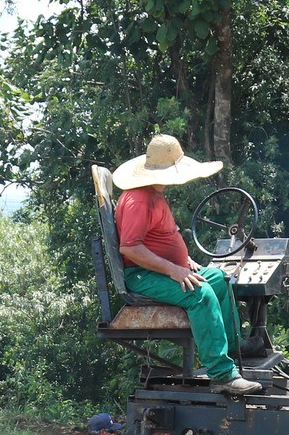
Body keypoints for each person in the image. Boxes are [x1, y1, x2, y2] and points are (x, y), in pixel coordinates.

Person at [112, 133, 262, 397]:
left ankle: (234, 346)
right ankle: (222, 375)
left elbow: (158, 238)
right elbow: (130, 248)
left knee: (218, 278)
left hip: (159, 269)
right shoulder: (138, 200)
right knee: (200, 295)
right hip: (141, 276)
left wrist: (183, 261)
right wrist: (173, 269)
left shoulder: (155, 193)